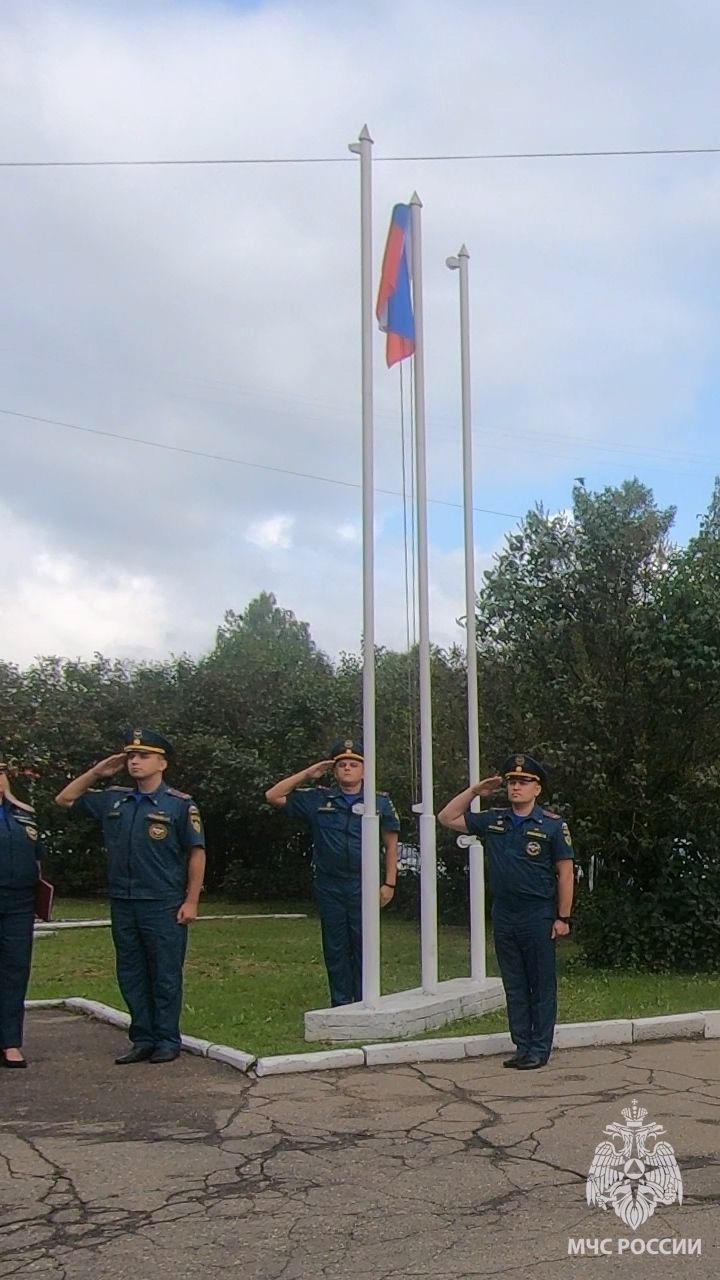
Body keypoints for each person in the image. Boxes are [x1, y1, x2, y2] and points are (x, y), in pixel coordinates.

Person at [55, 729, 206, 1065]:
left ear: (162, 763)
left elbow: (196, 853)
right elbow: (64, 800)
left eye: (144, 756)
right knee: (131, 972)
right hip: (124, 900)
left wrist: (191, 900)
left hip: (162, 900)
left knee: (165, 973)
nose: (135, 762)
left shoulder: (179, 804)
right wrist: (97, 772)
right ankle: (143, 1038)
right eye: (131, 756)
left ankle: (167, 1039)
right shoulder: (114, 799)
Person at [438, 753, 574, 1070]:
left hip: (537, 912)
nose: (516, 787)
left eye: (524, 782)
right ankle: (522, 1046)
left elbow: (566, 873)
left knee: (540, 984)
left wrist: (563, 917)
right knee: (514, 983)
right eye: (512, 782)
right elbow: (446, 817)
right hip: (504, 913)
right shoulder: (494, 820)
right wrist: (475, 791)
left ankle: (539, 1048)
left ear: (537, 789)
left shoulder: (552, 825)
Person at [266, 739, 400, 1007]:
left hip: (364, 883)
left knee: (364, 943)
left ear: (365, 770)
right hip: (330, 885)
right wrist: (307, 773)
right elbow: (273, 796)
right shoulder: (319, 799)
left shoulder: (379, 802)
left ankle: (366, 1001)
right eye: (341, 765)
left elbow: (391, 844)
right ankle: (341, 1005)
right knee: (336, 946)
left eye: (354, 764)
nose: (347, 768)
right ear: (334, 770)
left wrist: (389, 884)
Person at [0, 752, 43, 1069]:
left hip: (19, 902)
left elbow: (37, 860)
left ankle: (10, 1042)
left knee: (14, 970)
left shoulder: (24, 815)